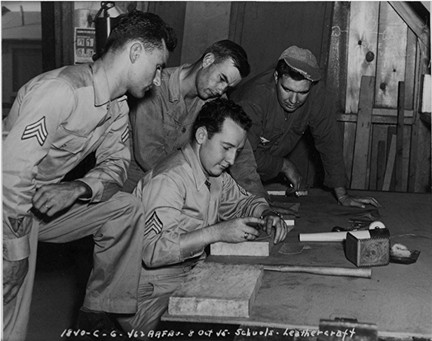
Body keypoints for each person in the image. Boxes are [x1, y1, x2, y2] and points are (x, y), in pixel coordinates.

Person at [2, 11, 176, 340]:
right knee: (10, 305)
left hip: (40, 203)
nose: (157, 79)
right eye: (158, 67)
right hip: (7, 209)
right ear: (136, 52)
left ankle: (99, 312)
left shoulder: (117, 105)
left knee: (126, 209)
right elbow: (10, 178)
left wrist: (79, 187)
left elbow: (116, 166)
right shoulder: (60, 91)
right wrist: (15, 254)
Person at [118, 98, 291, 332]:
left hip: (189, 279)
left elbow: (244, 202)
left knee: (265, 306)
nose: (231, 160)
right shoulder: (169, 180)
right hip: (149, 295)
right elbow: (153, 251)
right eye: (226, 147)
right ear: (201, 136)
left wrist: (267, 212)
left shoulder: (214, 174)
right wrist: (218, 232)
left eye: (237, 151)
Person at [230, 46, 380, 208]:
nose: (293, 100)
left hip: (261, 171)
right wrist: (283, 166)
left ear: (312, 85)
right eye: (287, 89)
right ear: (276, 77)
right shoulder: (253, 100)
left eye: (302, 92)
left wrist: (343, 196)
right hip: (230, 170)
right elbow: (241, 158)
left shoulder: (317, 95)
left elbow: (329, 142)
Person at [123, 39, 268, 199]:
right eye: (221, 79)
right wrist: (197, 189)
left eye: (228, 88)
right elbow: (149, 156)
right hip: (132, 194)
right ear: (208, 60)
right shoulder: (154, 87)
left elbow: (243, 159)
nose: (221, 90)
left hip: (179, 193)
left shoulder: (216, 102)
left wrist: (262, 206)